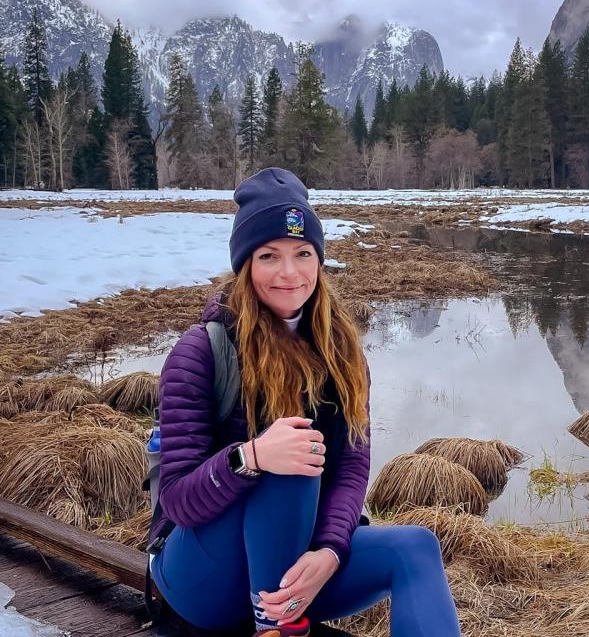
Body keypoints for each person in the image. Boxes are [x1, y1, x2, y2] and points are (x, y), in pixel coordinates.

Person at [150, 168, 461, 637]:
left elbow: (354, 465)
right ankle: (276, 628)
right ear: (245, 264)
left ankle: (282, 612)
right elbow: (176, 503)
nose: (290, 272)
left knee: (415, 547)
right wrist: (248, 458)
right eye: (269, 255)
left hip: (294, 573)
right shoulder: (202, 352)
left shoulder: (342, 352)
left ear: (319, 260)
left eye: (303, 253)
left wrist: (331, 550)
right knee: (292, 458)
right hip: (202, 581)